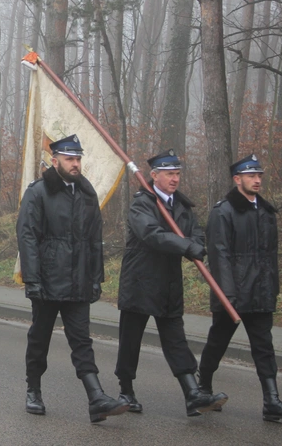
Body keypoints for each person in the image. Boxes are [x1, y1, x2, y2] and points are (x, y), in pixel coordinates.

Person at [17, 135, 127, 423]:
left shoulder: (86, 193)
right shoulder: (38, 192)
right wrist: (32, 279)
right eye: (70, 159)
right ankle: (33, 390)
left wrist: (96, 278)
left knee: (82, 341)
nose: (75, 164)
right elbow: (27, 236)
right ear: (55, 161)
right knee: (39, 339)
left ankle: (96, 398)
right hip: (47, 280)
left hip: (78, 279)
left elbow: (94, 239)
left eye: (78, 159)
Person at [115, 149, 228, 417]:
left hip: (168, 284)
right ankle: (126, 390)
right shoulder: (142, 203)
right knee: (131, 340)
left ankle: (192, 393)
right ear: (154, 176)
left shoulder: (183, 207)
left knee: (176, 340)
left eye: (177, 174)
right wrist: (186, 246)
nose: (174, 179)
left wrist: (195, 246)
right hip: (140, 280)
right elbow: (151, 234)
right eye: (169, 174)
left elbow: (197, 235)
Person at [198, 155, 282, 421]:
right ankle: (203, 387)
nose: (257, 180)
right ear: (237, 179)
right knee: (217, 343)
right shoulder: (223, 211)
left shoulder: (267, 211)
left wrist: (272, 288)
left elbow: (270, 256)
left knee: (264, 347)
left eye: (259, 176)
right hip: (231, 294)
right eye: (251, 176)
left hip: (261, 292)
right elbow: (219, 255)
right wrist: (227, 295)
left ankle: (272, 401)